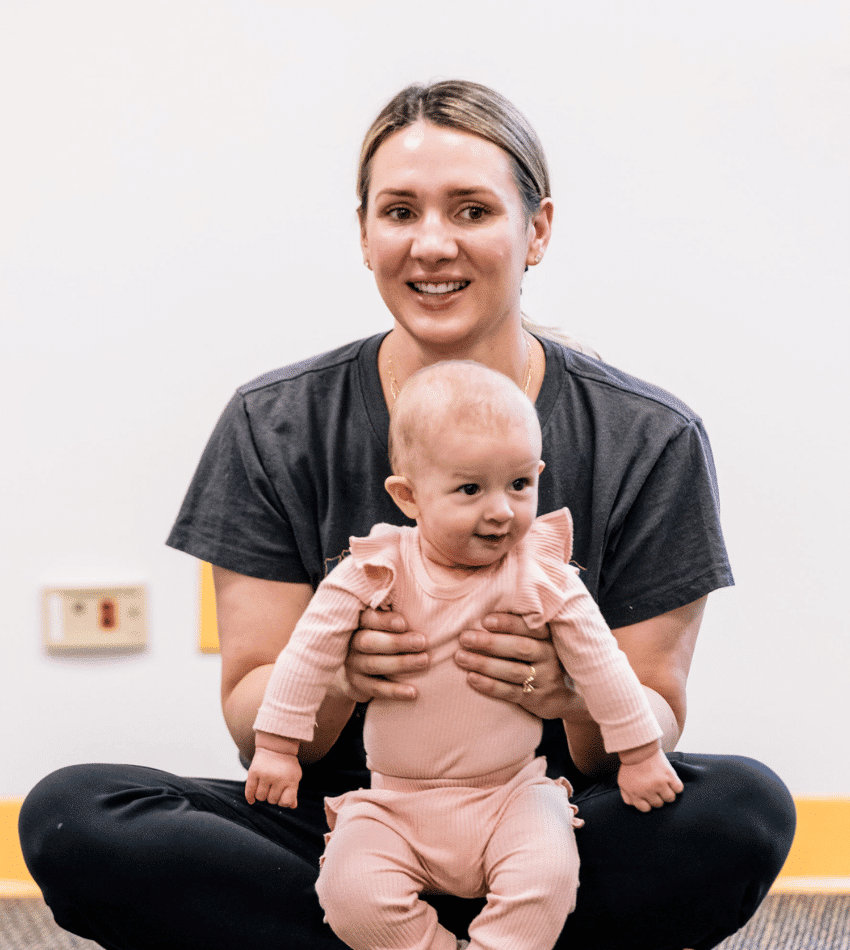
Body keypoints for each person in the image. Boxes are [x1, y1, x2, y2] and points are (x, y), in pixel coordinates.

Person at [19, 79, 795, 950]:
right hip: (347, 831)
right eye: (399, 212)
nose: (432, 245)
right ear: (363, 233)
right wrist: (338, 675)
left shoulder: (649, 438)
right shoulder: (271, 424)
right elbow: (250, 721)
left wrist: (572, 691)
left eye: (470, 210)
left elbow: (654, 715)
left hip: (549, 826)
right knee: (74, 816)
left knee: (744, 810)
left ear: (535, 229)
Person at [247, 360, 684, 950]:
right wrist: (277, 747)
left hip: (511, 794)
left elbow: (602, 666)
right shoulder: (375, 568)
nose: (502, 510)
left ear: (538, 474)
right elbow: (306, 654)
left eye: (520, 485)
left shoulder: (543, 572)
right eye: (471, 489)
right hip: (394, 803)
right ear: (409, 497)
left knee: (549, 873)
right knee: (349, 893)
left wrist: (640, 754)